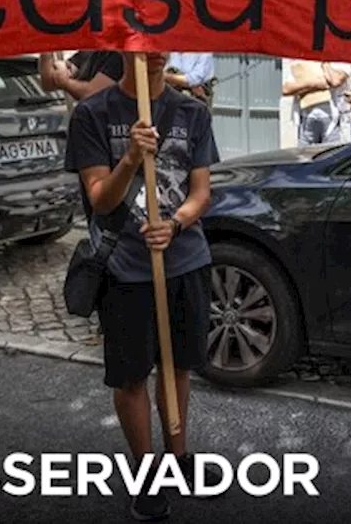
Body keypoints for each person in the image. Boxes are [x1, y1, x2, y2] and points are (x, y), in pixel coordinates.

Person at [64, 52, 221, 520]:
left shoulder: (192, 112)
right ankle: (146, 471)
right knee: (131, 374)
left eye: (161, 40)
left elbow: (201, 193)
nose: (152, 48)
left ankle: (177, 458)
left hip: (184, 259)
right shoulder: (92, 114)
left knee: (177, 366)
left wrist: (175, 223)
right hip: (124, 267)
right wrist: (131, 157)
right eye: (141, 39)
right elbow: (100, 199)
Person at [283, 60, 349, 146]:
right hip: (306, 118)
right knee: (305, 156)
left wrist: (325, 63)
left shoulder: (340, 62)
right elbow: (286, 89)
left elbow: (335, 81)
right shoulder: (300, 63)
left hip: (331, 119)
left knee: (330, 155)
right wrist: (313, 84)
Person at [39, 50, 125, 101]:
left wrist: (65, 82)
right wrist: (46, 52)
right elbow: (48, 84)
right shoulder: (89, 52)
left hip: (108, 124)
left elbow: (92, 94)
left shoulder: (118, 56)